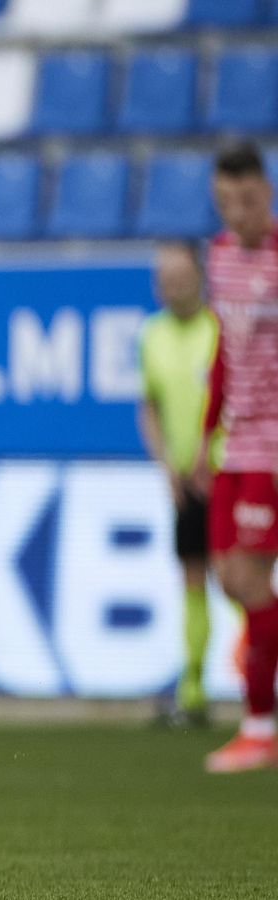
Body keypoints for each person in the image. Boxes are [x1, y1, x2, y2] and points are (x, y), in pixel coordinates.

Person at [199, 142, 278, 773]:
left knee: (251, 581)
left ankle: (259, 725)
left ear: (267, 194)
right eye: (226, 202)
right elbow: (226, 348)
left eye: (247, 200)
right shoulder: (220, 257)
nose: (237, 213)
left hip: (272, 447)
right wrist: (206, 432)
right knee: (230, 578)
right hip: (234, 443)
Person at [138, 242, 220, 728]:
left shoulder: (221, 329)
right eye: (163, 276)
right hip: (185, 479)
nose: (170, 284)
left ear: (200, 275)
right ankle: (193, 690)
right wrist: (168, 463)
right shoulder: (152, 335)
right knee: (194, 579)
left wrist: (213, 458)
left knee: (242, 580)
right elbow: (149, 404)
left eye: (178, 274)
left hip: (229, 471)